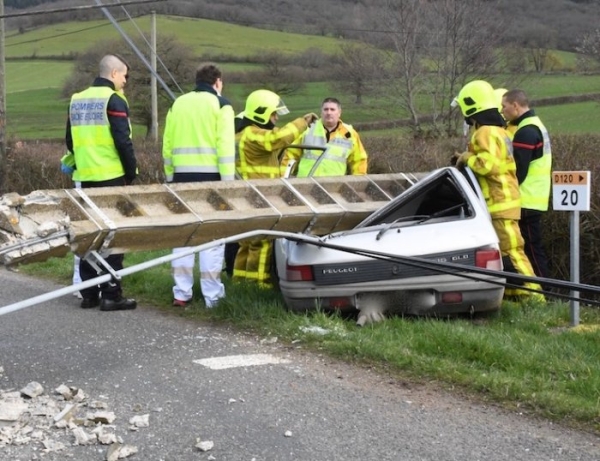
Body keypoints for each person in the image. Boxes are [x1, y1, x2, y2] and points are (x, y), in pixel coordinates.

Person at [452, 80, 543, 300]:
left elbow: (488, 165)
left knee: (512, 250)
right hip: (501, 202)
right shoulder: (498, 131)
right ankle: (516, 293)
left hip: (500, 202)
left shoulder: (485, 132)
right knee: (504, 252)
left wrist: (466, 158)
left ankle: (535, 297)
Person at [65, 54, 138, 311]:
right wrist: (132, 173)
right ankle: (111, 294)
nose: (125, 81)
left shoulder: (77, 99)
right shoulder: (114, 99)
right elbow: (122, 140)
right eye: (125, 76)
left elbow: (70, 142)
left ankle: (88, 293)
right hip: (111, 177)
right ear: (115, 73)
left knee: (90, 235)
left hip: (85, 178)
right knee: (112, 238)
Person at [162, 63, 235, 308]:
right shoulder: (221, 105)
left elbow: (167, 144)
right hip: (212, 179)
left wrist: (170, 176)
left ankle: (181, 293)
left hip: (181, 179)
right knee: (212, 239)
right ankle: (212, 297)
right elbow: (225, 146)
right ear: (217, 82)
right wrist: (228, 184)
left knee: (183, 236)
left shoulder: (178, 104)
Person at [233, 89, 317, 287]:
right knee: (261, 241)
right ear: (261, 112)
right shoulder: (253, 135)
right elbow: (276, 139)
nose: (276, 118)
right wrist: (303, 122)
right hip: (258, 195)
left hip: (245, 194)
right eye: (273, 114)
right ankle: (258, 286)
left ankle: (239, 282)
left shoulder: (239, 134)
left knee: (245, 242)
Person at [501, 89, 552, 282]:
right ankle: (542, 290)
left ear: (515, 105)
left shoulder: (526, 131)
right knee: (532, 247)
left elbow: (517, 171)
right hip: (534, 199)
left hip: (526, 200)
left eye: (504, 106)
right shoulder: (535, 125)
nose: (502, 110)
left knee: (530, 249)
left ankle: (545, 291)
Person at [280, 97, 368, 177]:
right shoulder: (308, 129)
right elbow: (290, 155)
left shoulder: (350, 134)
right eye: (326, 109)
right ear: (321, 112)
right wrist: (284, 179)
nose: (329, 112)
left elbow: (359, 160)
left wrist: (358, 182)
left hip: (334, 186)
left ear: (339, 113)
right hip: (306, 184)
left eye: (332, 109)